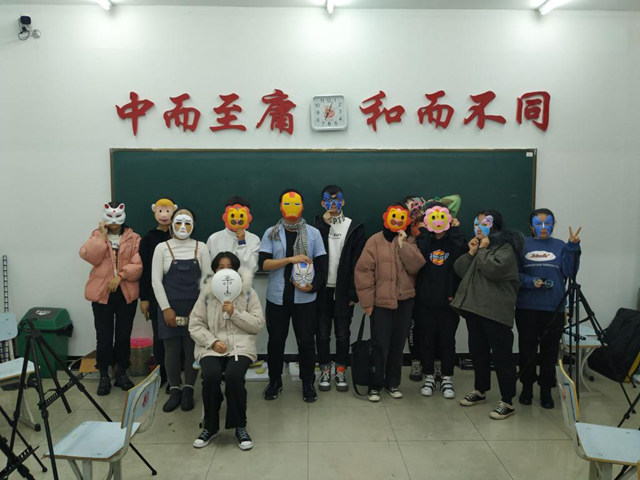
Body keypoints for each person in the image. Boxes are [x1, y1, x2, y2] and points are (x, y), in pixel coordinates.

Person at [451, 209, 523, 420]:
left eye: (484, 224)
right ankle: (480, 390)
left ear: (494, 226)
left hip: (496, 312)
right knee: (478, 353)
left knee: (502, 357)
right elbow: (460, 269)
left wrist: (482, 250)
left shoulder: (505, 247)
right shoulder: (481, 246)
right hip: (475, 309)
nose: (479, 228)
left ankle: (507, 401)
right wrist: (472, 252)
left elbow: (494, 270)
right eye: (477, 223)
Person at [189, 252, 265, 450]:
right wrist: (212, 342)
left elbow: (257, 325)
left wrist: (235, 313)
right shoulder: (206, 294)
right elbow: (195, 325)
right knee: (211, 376)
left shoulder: (248, 293)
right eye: (220, 267)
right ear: (214, 270)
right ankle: (210, 426)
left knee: (234, 376)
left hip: (241, 347)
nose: (225, 271)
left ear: (237, 270)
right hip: (211, 348)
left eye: (229, 267)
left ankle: (240, 426)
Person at [259, 189, 327, 403]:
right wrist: (290, 259)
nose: (291, 208)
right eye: (287, 204)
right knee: (275, 341)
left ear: (302, 207)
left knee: (306, 342)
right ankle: (275, 381)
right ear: (281, 206)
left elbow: (322, 268)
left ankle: (308, 383)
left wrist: (312, 287)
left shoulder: (314, 233)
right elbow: (264, 264)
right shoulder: (271, 232)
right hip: (277, 298)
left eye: (296, 204)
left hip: (305, 299)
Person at [354, 202, 426, 402]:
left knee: (397, 345)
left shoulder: (410, 241)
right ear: (386, 217)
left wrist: (403, 245)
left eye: (402, 217)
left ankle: (392, 383)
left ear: (407, 220)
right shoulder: (374, 241)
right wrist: (367, 303)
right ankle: (375, 385)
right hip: (380, 303)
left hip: (405, 301)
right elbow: (363, 272)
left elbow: (416, 266)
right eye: (394, 216)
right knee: (379, 346)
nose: (397, 220)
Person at [516, 208, 581, 409]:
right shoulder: (522, 245)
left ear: (553, 224)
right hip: (527, 307)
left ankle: (546, 390)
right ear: (531, 226)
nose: (543, 227)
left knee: (550, 352)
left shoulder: (561, 246)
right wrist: (531, 281)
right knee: (527, 350)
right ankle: (527, 388)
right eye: (539, 223)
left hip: (554, 308)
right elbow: (514, 274)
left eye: (548, 223)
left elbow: (570, 272)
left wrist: (573, 247)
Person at [152, 208, 212, 412]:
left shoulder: (201, 247)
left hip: (196, 308)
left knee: (192, 349)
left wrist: (199, 310)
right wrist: (166, 308)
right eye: (178, 222)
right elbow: (156, 281)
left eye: (187, 222)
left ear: (193, 225)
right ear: (171, 224)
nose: (183, 227)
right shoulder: (162, 248)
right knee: (171, 350)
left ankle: (188, 389)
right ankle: (175, 389)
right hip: (169, 307)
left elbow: (208, 281)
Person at [79, 202, 142, 396]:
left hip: (125, 292)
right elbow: (89, 256)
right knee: (104, 337)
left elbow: (138, 265)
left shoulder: (134, 238)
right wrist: (102, 236)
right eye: (110, 216)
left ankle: (121, 373)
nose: (114, 220)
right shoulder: (96, 235)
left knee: (123, 336)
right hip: (102, 294)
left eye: (117, 216)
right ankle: (104, 376)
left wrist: (120, 276)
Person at [314, 185, 365, 392]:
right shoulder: (316, 226)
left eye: (337, 200)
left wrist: (354, 292)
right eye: (328, 200)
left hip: (344, 290)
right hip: (322, 290)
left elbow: (358, 263)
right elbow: (314, 253)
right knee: (322, 334)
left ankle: (341, 370)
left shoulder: (354, 227)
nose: (333, 204)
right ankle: (325, 370)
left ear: (343, 202)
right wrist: (324, 225)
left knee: (343, 334)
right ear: (322, 203)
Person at [415, 201, 467, 399]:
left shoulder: (454, 241)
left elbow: (461, 254)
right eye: (433, 217)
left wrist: (455, 230)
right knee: (426, 340)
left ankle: (447, 377)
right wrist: (424, 231)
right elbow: (419, 254)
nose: (438, 221)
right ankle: (429, 375)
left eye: (441, 217)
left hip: (448, 302)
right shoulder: (424, 241)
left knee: (447, 341)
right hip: (425, 301)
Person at [139, 197, 177, 389]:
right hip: (156, 295)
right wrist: (144, 297)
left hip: (180, 293)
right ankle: (162, 374)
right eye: (160, 211)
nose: (164, 215)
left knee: (179, 336)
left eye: (168, 211)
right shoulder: (149, 239)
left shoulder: (181, 236)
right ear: (154, 211)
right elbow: (145, 270)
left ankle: (176, 375)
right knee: (160, 336)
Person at [206, 196, 261, 274]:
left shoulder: (254, 239)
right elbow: (208, 268)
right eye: (233, 215)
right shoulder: (214, 238)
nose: (237, 219)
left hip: (244, 281)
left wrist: (242, 243)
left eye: (241, 215)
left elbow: (252, 268)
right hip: (218, 280)